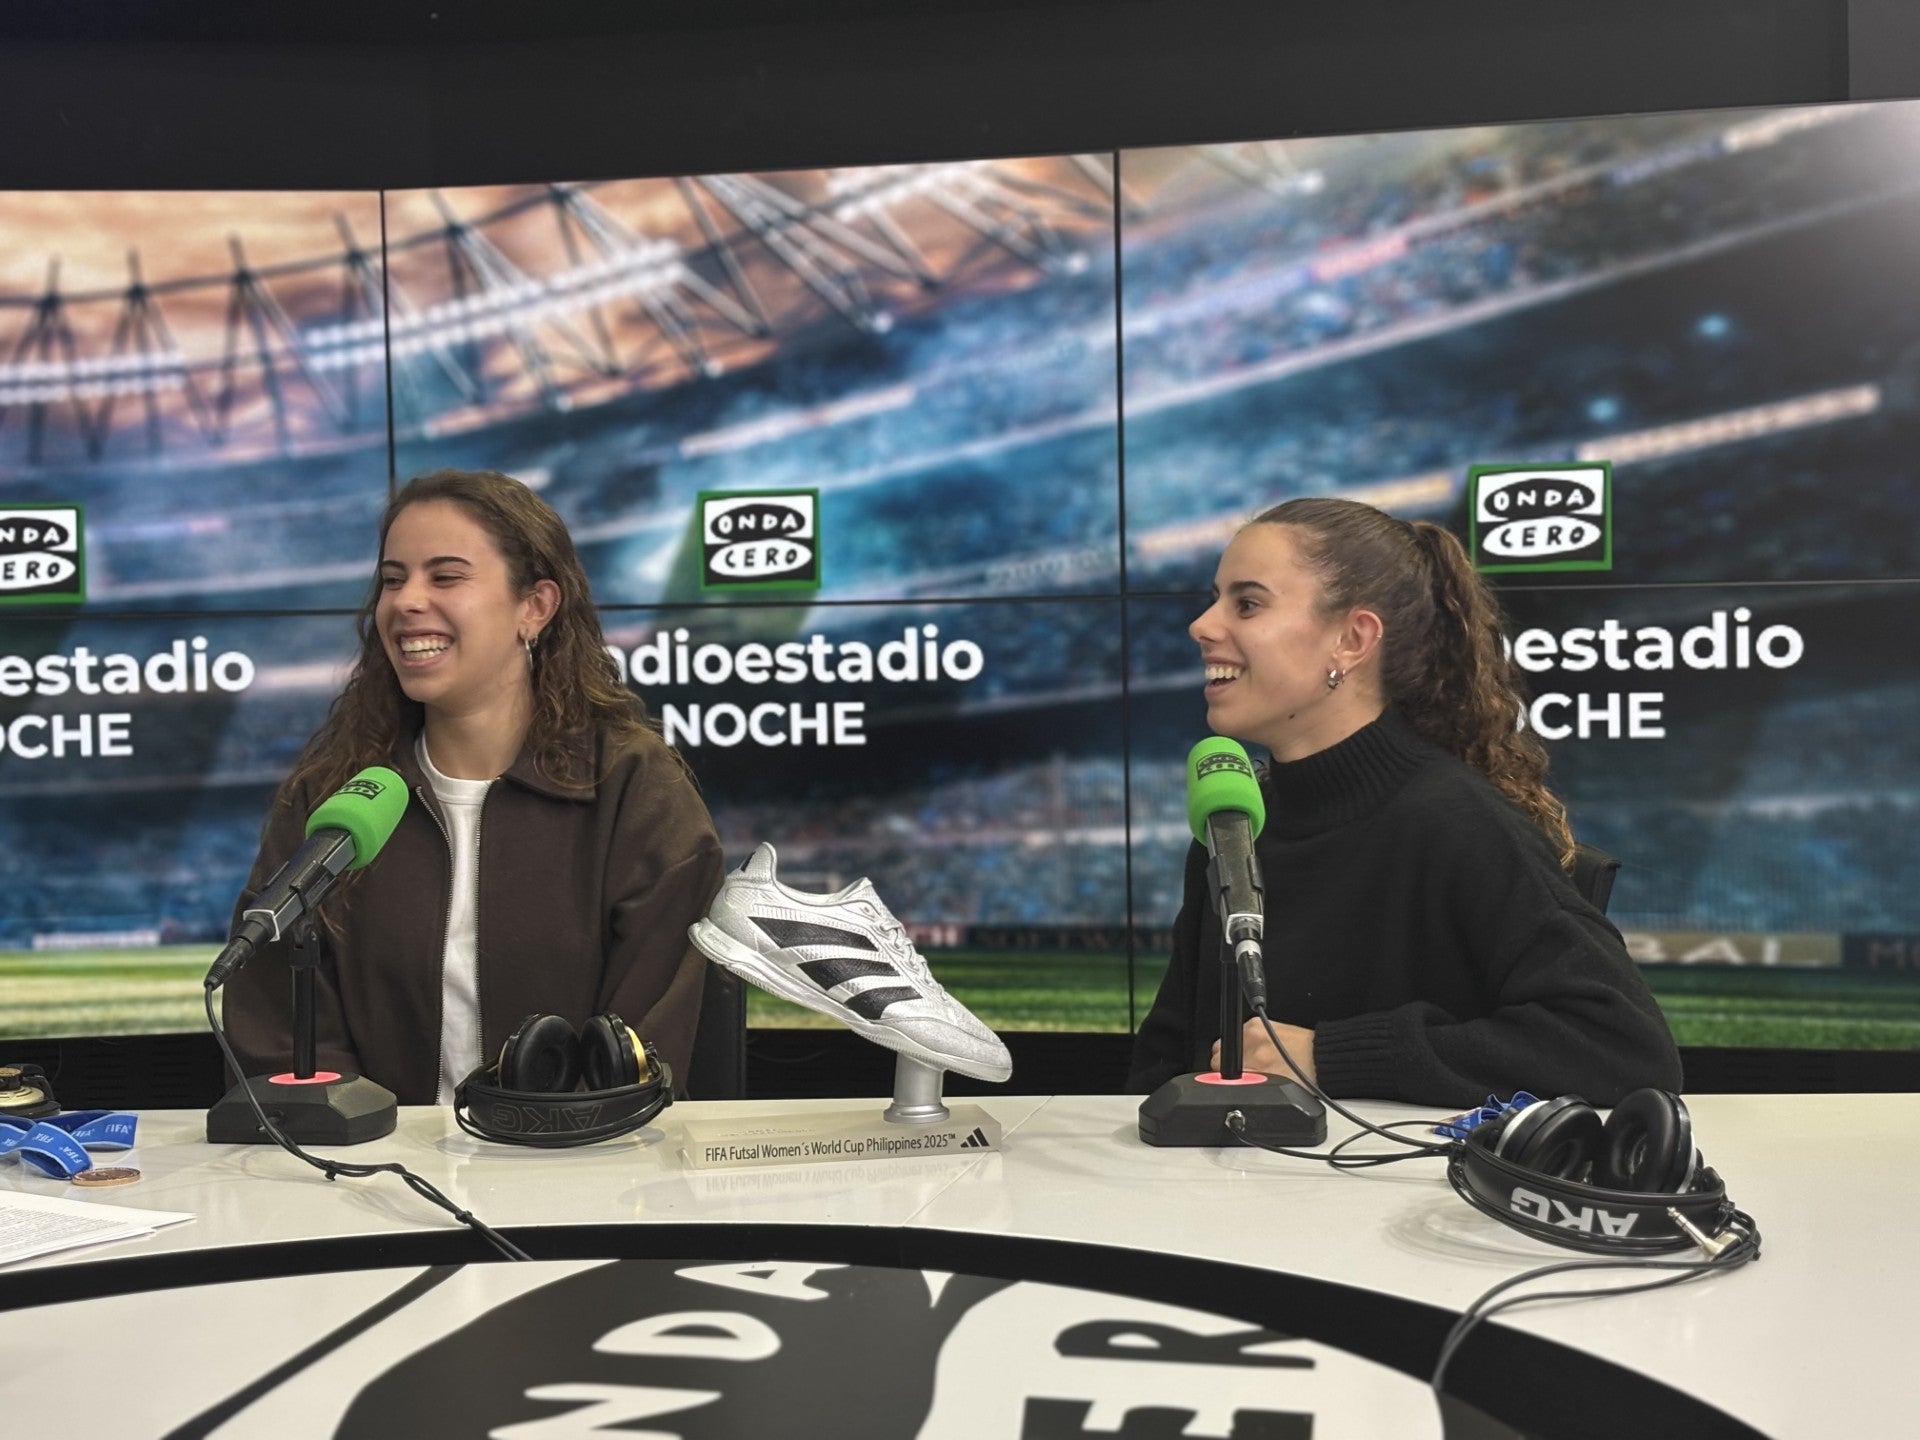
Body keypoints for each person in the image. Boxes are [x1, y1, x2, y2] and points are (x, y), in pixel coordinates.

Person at [1127, 497, 1683, 1107]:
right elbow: (1166, 1063)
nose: (1202, 626)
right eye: (1215, 599)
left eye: (1248, 604)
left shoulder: (1459, 823)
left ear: (1352, 640)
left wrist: (1331, 1057)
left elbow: (1625, 1049)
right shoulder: (1234, 821)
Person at [224, 469, 725, 1105]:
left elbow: (644, 1051)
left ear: (535, 607)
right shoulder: (332, 797)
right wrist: (362, 1144)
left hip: (586, 1157)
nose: (406, 601)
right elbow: (279, 1034)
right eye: (393, 579)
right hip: (363, 1161)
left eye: (446, 577)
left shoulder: (635, 789)